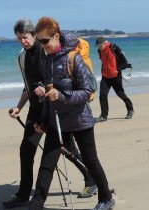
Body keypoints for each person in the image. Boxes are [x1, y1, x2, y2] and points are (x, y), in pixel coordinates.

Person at [3, 19, 97, 209]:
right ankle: (23, 194)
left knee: (67, 150)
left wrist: (47, 91)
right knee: (26, 150)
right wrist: (19, 107)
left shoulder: (46, 51)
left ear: (34, 35)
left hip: (55, 109)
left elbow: (59, 79)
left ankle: (91, 179)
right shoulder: (22, 57)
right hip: (36, 110)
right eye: (19, 39)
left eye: (26, 37)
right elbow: (28, 86)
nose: (23, 41)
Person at [30, 17, 115, 210]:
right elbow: (51, 90)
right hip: (56, 121)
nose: (43, 46)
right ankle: (35, 205)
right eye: (39, 42)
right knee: (47, 165)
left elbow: (86, 91)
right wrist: (43, 95)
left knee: (91, 160)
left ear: (56, 36)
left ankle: (106, 197)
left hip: (80, 120)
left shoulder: (73, 58)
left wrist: (61, 95)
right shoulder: (48, 60)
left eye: (45, 41)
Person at [94, 37, 134, 123]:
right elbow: (104, 62)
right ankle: (104, 116)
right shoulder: (100, 51)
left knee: (120, 94)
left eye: (100, 45)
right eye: (97, 46)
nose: (99, 47)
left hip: (116, 76)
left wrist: (117, 69)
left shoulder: (114, 48)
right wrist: (103, 70)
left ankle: (130, 110)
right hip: (105, 76)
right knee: (102, 95)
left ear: (105, 43)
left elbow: (124, 61)